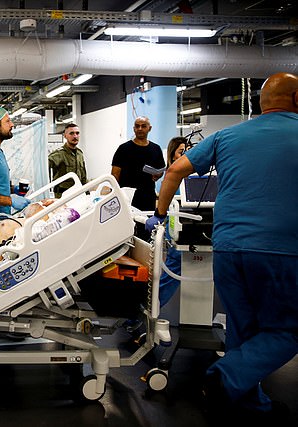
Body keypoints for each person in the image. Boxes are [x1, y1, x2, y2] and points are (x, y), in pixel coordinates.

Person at [146, 73, 298, 422]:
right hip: (283, 250)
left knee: (243, 330)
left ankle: (250, 405)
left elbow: (172, 173)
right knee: (288, 330)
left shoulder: (226, 137)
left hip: (229, 249)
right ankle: (225, 377)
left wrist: (159, 214)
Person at [111, 116, 165, 212]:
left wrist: (158, 175)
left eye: (143, 126)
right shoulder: (123, 149)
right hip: (127, 196)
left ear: (150, 128)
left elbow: (160, 170)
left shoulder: (156, 149)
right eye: (137, 126)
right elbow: (115, 174)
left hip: (148, 195)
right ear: (134, 128)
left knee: (146, 224)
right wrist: (116, 194)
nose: (140, 129)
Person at [158, 136, 187, 306]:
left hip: (188, 223)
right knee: (175, 265)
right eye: (182, 152)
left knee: (178, 266)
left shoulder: (192, 176)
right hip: (176, 223)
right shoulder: (172, 177)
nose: (186, 155)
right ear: (173, 155)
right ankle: (150, 307)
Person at [48, 123, 88, 198]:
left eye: (77, 133)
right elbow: (44, 171)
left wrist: (87, 192)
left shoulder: (80, 153)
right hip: (62, 196)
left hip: (78, 194)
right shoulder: (58, 154)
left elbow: (83, 176)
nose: (75, 136)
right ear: (65, 136)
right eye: (71, 133)